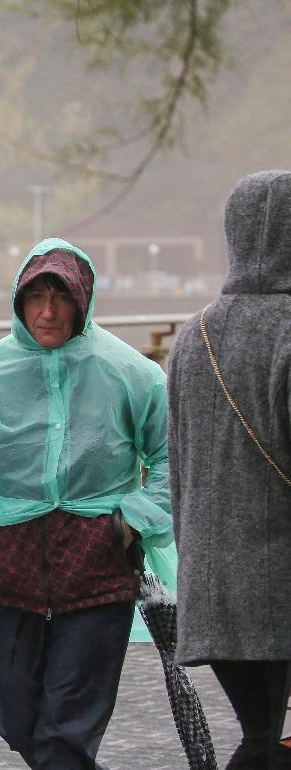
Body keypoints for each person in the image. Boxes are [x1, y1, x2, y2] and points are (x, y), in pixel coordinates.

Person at [0, 238, 175, 769]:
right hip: (14, 569)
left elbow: (180, 454)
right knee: (16, 721)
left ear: (84, 301)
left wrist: (131, 523)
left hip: (99, 568)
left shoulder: (131, 373)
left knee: (66, 735)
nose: (48, 311)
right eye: (36, 296)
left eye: (62, 297)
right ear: (18, 301)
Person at [168, 170, 291, 770]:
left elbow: (179, 466)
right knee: (270, 742)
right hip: (280, 581)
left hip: (214, 587)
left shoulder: (193, 337)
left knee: (260, 734)